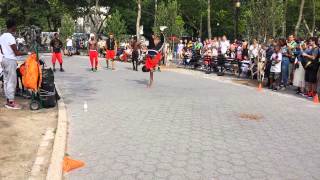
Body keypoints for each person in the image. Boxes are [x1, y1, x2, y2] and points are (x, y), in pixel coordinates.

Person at [0, 19, 27, 109]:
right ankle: (11, 102)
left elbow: (1, 50)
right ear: (13, 26)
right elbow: (16, 53)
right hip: (10, 61)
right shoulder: (10, 37)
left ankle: (8, 101)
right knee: (12, 81)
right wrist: (27, 53)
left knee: (6, 81)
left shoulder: (2, 36)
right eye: (15, 26)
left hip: (3, 60)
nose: (16, 28)